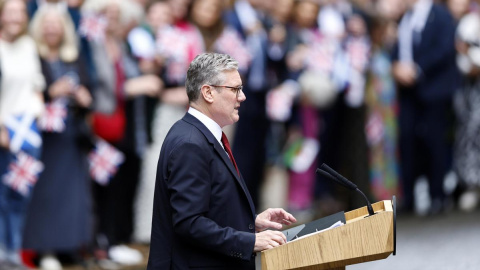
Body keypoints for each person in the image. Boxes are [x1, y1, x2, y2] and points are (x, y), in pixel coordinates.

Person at [147, 53, 296, 270]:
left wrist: (249, 222)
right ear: (208, 92)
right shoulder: (190, 144)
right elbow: (189, 223)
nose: (242, 96)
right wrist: (250, 241)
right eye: (235, 89)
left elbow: (208, 205)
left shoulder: (199, 135)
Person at [22, 6, 93, 270]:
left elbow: (88, 90)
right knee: (46, 195)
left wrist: (84, 98)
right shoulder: (32, 55)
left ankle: (69, 246)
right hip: (44, 136)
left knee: (71, 194)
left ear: (64, 28)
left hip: (70, 135)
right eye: (47, 23)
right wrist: (52, 92)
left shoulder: (74, 57)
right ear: (39, 27)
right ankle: (45, 248)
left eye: (57, 23)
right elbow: (26, 92)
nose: (52, 28)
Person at [392, 0, 458, 214]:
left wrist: (417, 69)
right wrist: (397, 67)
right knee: (407, 141)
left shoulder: (440, 15)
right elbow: (399, 48)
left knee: (435, 141)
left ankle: (437, 196)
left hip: (433, 89)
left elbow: (445, 48)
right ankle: (409, 197)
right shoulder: (405, 18)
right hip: (408, 92)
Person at [0, 0, 46, 268]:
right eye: (11, 12)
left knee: (20, 194)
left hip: (28, 133)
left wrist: (36, 117)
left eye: (21, 12)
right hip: (4, 132)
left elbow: (37, 85)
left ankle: (13, 252)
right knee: (2, 195)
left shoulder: (29, 46)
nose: (16, 17)